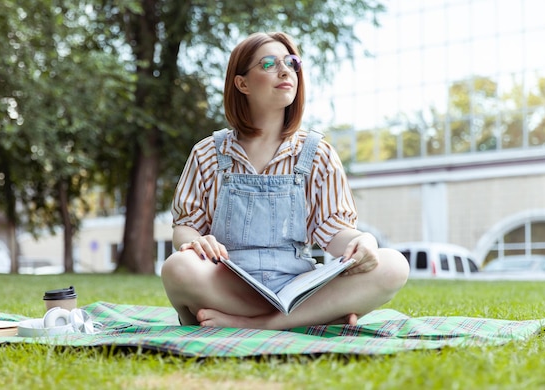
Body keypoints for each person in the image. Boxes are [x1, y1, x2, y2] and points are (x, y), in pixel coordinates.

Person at [161, 32, 409, 329]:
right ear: (241, 83)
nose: (284, 71)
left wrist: (362, 241)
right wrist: (197, 242)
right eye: (268, 64)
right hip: (227, 282)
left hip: (298, 286)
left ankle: (258, 324)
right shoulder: (207, 153)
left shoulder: (318, 153)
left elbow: (335, 234)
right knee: (177, 267)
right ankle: (313, 318)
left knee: (394, 265)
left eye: (291, 63)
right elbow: (185, 228)